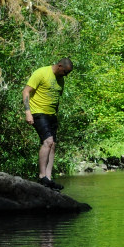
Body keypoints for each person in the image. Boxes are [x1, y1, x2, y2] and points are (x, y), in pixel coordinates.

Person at [22, 57, 73, 190]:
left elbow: (56, 99)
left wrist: (56, 115)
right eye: (65, 72)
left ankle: (48, 179)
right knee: (48, 141)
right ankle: (42, 176)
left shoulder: (61, 80)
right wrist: (28, 112)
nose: (66, 75)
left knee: (53, 144)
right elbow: (26, 91)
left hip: (51, 115)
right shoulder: (41, 73)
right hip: (38, 112)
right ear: (60, 66)